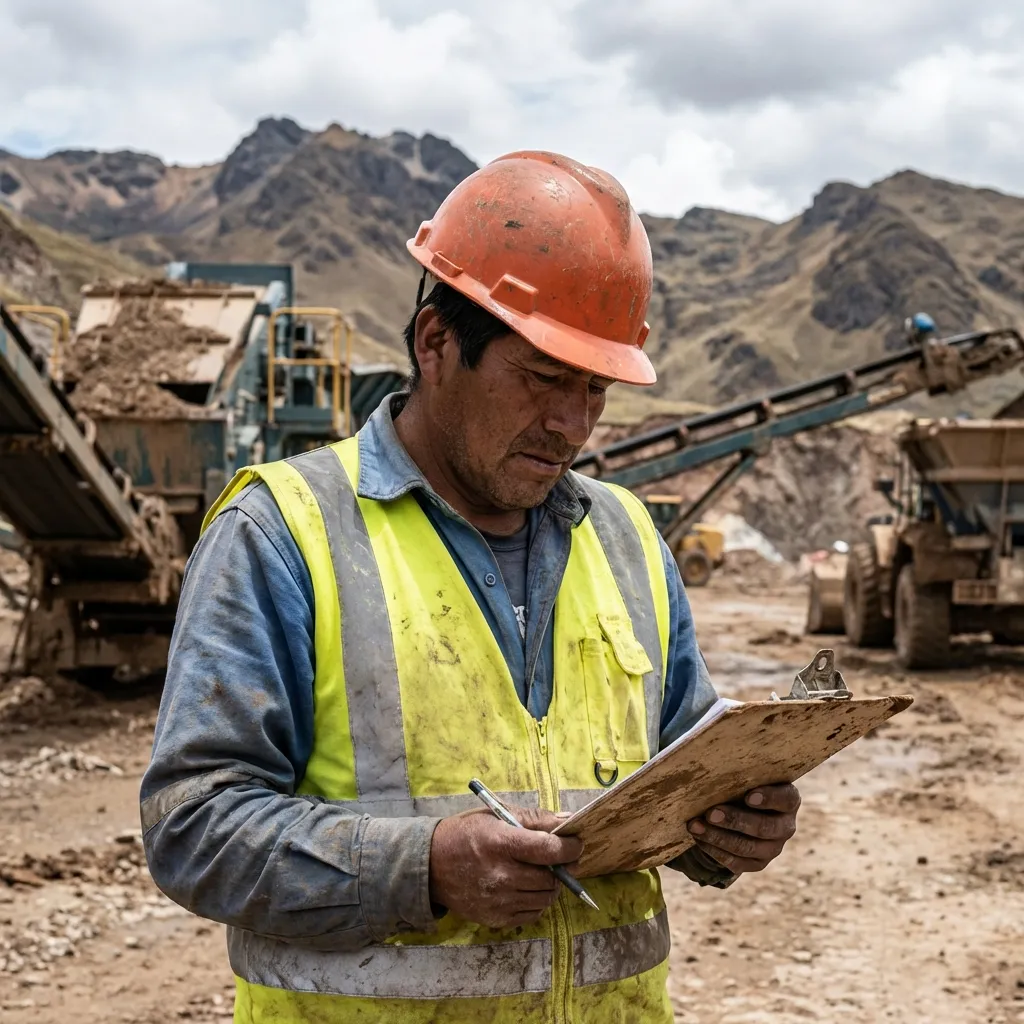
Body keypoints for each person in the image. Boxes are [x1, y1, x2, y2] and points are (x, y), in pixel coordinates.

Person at [141, 151, 801, 1023]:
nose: (571, 424)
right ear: (436, 344)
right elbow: (194, 830)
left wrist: (730, 829)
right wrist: (423, 867)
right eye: (542, 378)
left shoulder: (628, 536)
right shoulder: (285, 534)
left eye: (595, 390)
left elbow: (681, 771)